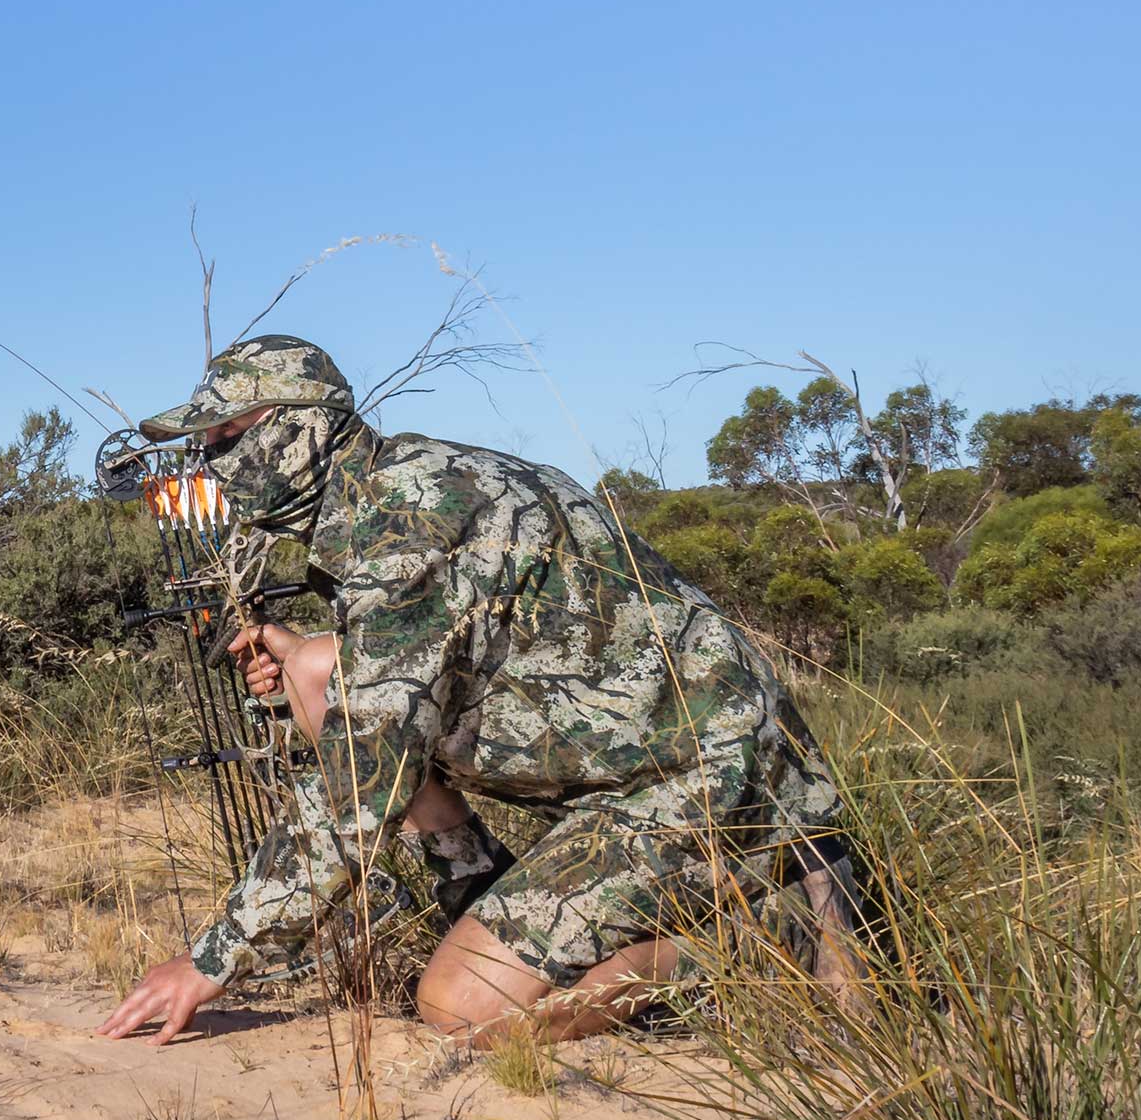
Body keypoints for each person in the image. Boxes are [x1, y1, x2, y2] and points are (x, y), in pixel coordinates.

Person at [94, 335, 861, 1049]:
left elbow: (357, 781)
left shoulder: (410, 519)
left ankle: (767, 940)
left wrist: (212, 958)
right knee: (315, 669)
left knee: (462, 1004)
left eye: (225, 436)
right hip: (636, 773)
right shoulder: (396, 488)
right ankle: (488, 893)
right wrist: (300, 656)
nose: (208, 457)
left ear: (300, 428)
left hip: (709, 779)